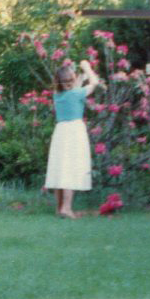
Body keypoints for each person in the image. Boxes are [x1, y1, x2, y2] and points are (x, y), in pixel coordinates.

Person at [45, 58, 103, 219]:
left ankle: (59, 208)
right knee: (70, 169)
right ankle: (67, 208)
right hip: (74, 131)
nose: (70, 83)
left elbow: (73, 88)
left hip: (61, 131)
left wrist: (80, 76)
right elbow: (95, 83)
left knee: (59, 169)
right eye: (67, 81)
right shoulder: (77, 93)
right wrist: (87, 68)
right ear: (61, 82)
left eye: (71, 80)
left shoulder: (57, 94)